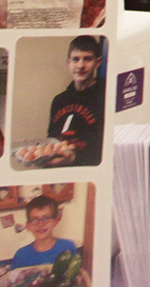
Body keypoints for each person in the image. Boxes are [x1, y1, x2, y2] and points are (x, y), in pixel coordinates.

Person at [48, 36, 105, 167]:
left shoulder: (106, 96)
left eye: (87, 59)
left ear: (98, 62)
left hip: (88, 170)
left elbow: (106, 146)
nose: (80, 66)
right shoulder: (59, 101)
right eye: (75, 59)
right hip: (59, 169)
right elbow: (52, 138)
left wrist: (73, 158)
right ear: (68, 63)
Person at [10, 196, 77, 269]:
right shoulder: (21, 255)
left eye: (46, 218)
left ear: (56, 221)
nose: (41, 224)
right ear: (28, 225)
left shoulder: (68, 247)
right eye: (35, 219)